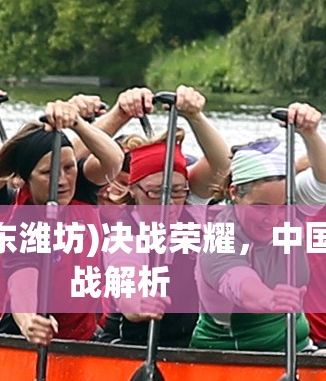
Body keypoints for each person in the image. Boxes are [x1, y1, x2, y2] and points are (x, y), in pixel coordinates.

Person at [192, 103, 326, 352]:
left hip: (298, 348)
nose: (273, 219)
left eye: (283, 206)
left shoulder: (291, 207)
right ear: (235, 193)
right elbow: (238, 283)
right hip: (231, 357)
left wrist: (310, 134)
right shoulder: (220, 238)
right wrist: (268, 299)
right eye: (260, 206)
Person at [96, 86, 233, 347]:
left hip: (189, 344)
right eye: (155, 193)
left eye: (177, 192)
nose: (168, 204)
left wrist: (195, 116)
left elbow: (223, 165)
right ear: (133, 191)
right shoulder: (124, 234)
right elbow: (126, 276)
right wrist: (137, 304)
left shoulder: (191, 206)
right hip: (130, 344)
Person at [0, 100, 123, 345]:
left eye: (68, 168)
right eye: (47, 173)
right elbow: (21, 283)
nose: (61, 180)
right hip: (27, 338)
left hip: (82, 338)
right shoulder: (23, 223)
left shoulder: (80, 188)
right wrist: (29, 320)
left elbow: (113, 160)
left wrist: (77, 123)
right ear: (24, 179)